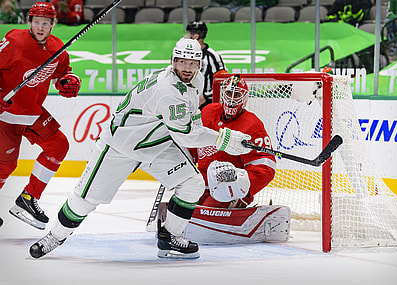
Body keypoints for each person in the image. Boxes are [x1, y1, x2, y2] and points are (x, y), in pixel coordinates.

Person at [29, 38, 252, 260]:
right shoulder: (168, 90)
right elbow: (186, 134)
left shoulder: (196, 80)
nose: (186, 68)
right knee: (85, 200)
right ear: (173, 60)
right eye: (182, 62)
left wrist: (220, 137)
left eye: (192, 63)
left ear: (199, 65)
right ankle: (55, 236)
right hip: (121, 146)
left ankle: (170, 237)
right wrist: (225, 138)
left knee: (192, 184)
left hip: (157, 144)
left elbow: (193, 122)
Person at [0, 2, 81, 230]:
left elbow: (63, 72)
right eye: (36, 22)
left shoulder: (57, 46)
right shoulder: (15, 41)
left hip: (32, 112)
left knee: (58, 146)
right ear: (30, 22)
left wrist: (68, 81)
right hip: (6, 114)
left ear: (53, 24)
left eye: (45, 23)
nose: (40, 27)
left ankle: (28, 198)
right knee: (5, 167)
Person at [180, 74, 290, 244]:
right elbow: (191, 146)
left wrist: (243, 182)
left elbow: (265, 165)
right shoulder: (208, 112)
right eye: (229, 93)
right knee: (183, 212)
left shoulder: (252, 125)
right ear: (222, 94)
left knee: (200, 221)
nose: (231, 100)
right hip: (201, 184)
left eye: (237, 95)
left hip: (227, 189)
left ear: (244, 99)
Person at [185, 21, 227, 110]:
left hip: (207, 104)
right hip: (188, 100)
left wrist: (205, 96)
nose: (185, 37)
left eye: (188, 34)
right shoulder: (184, 55)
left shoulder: (212, 56)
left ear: (195, 36)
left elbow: (223, 81)